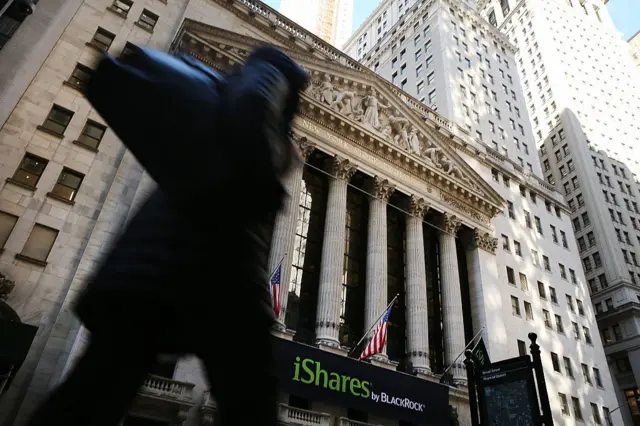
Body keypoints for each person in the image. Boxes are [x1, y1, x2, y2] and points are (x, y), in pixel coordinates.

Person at [27, 45, 309, 426]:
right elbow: (253, 108)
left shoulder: (218, 117)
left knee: (93, 392)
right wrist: (264, 186)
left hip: (148, 273)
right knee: (250, 394)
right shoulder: (273, 75)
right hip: (213, 266)